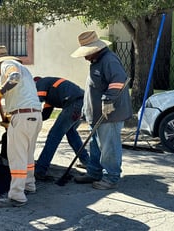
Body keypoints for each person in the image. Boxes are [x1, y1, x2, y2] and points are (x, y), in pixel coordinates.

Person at [70, 31, 132, 189]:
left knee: (109, 147)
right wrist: (87, 109)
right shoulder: (97, 62)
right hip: (97, 115)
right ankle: (94, 172)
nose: (85, 57)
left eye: (87, 53)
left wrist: (108, 100)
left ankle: (112, 177)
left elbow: (119, 80)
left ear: (95, 49)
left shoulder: (109, 60)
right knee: (95, 146)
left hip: (109, 115)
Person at [0, 45, 42, 207]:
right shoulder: (24, 68)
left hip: (22, 116)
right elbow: (22, 94)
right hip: (34, 115)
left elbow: (13, 78)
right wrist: (10, 117)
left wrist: (0, 91)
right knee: (28, 154)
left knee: (17, 157)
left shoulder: (7, 65)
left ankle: (17, 196)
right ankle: (29, 185)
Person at [33, 76, 89, 180]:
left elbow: (35, 102)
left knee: (54, 136)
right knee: (71, 132)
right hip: (83, 103)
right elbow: (45, 115)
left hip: (74, 103)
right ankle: (86, 161)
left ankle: (40, 170)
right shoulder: (50, 92)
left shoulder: (39, 83)